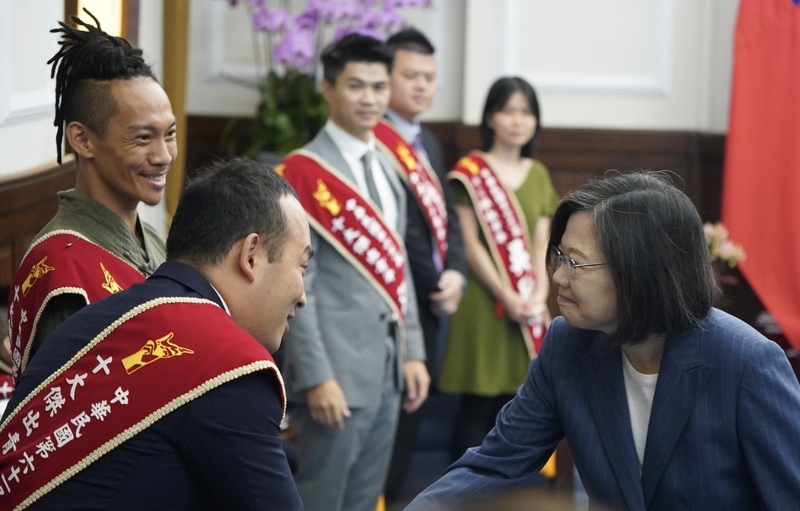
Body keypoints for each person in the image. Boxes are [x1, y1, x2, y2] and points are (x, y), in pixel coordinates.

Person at [405, 171, 800, 511]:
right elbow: (494, 465)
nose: (558, 277)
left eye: (575, 262)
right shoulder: (568, 344)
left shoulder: (746, 362)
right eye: (558, 257)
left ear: (642, 272)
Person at [0, 158, 310, 510]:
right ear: (250, 255)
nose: (302, 296)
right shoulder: (228, 367)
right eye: (302, 265)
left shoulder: (93, 320)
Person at [278, 34, 429, 511]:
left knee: (366, 500)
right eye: (356, 86)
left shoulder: (388, 168)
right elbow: (300, 287)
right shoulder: (301, 174)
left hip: (386, 370)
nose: (370, 99)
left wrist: (413, 352)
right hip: (335, 377)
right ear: (327, 88)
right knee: (322, 497)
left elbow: (398, 268)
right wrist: (316, 376)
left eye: (379, 87)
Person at [6, 10, 176, 379]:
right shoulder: (61, 272)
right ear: (82, 139)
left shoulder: (155, 245)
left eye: (170, 134)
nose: (163, 156)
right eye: (143, 138)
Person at [439, 77, 559, 459]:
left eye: (526, 112)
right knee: (476, 408)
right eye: (508, 110)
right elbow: (469, 243)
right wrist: (505, 293)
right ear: (490, 116)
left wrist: (539, 295)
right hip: (483, 301)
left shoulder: (538, 173)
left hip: (528, 304)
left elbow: (543, 241)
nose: (517, 121)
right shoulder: (470, 172)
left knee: (516, 407)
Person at [378, 27, 467, 501]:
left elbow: (447, 218)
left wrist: (457, 271)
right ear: (385, 77)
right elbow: (402, 235)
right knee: (387, 425)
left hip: (434, 302)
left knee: (411, 419)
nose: (421, 86)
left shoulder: (428, 143)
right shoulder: (376, 141)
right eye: (410, 75)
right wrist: (435, 281)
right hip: (396, 303)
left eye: (429, 77)